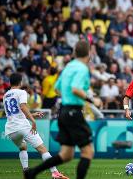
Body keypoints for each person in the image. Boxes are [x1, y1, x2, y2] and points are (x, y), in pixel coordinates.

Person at [24, 40, 94, 179]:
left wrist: (67, 99)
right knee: (87, 152)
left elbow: (56, 89)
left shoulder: (69, 66)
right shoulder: (82, 68)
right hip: (73, 112)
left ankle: (32, 173)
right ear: (89, 53)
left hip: (64, 111)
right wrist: (91, 99)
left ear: (75, 52)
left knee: (66, 155)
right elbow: (75, 89)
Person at [3, 73, 68, 179]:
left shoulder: (6, 95)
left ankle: (26, 171)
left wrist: (32, 114)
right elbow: (22, 106)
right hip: (22, 126)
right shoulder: (21, 92)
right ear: (20, 82)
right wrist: (33, 121)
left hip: (10, 129)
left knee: (23, 147)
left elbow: (15, 113)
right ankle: (55, 173)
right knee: (43, 149)